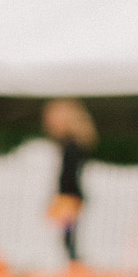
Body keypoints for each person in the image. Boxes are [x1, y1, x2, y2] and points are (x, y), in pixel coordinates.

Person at [44, 98, 97, 260]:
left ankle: (72, 263)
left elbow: (70, 175)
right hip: (69, 196)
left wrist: (62, 196)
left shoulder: (72, 146)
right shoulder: (69, 144)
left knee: (68, 234)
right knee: (66, 233)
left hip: (69, 197)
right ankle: (70, 262)